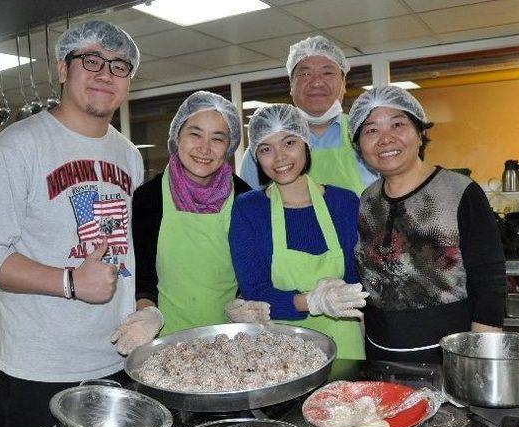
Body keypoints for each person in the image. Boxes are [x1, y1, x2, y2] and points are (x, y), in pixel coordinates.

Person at [0, 21, 153, 427]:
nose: (105, 74)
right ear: (63, 69)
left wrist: (144, 307)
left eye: (119, 66)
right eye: (92, 61)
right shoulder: (15, 148)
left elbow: (126, 250)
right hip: (40, 371)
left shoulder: (128, 155)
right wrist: (69, 282)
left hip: (116, 359)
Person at [348, 85, 506, 363]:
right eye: (371, 130)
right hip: (380, 353)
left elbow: (489, 281)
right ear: (360, 146)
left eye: (398, 124)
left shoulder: (459, 192)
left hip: (450, 355)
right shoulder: (367, 200)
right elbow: (368, 282)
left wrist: (477, 358)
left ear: (420, 134)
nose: (385, 139)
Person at [228, 104, 368, 360]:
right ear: (256, 157)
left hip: (345, 348)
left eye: (289, 143)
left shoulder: (344, 203)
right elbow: (255, 291)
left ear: (305, 143)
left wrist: (339, 295)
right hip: (280, 352)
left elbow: (356, 281)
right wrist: (312, 301)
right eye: (266, 149)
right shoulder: (249, 209)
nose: (279, 157)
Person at [132, 91, 252, 336]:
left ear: (229, 146)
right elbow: (143, 276)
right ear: (177, 135)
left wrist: (244, 303)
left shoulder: (244, 198)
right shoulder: (149, 197)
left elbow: (251, 272)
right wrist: (147, 313)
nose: (204, 148)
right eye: (195, 134)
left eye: (217, 139)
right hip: (165, 340)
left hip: (229, 339)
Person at [239, 36, 377, 195]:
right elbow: (249, 209)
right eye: (305, 74)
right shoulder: (261, 150)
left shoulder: (367, 135)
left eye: (327, 72)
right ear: (291, 85)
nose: (317, 82)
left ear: (344, 83)